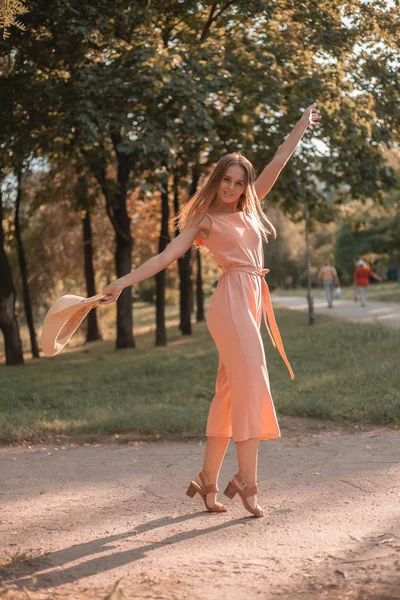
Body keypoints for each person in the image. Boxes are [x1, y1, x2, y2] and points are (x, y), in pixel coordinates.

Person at [99, 102, 321, 518]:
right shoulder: (204, 220)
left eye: (239, 183)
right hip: (232, 300)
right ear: (217, 179)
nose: (233, 188)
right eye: (227, 180)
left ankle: (207, 481)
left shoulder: (250, 207)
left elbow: (278, 159)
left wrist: (301, 124)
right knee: (253, 381)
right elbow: (165, 257)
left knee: (229, 393)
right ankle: (248, 485)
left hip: (250, 298)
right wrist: (122, 284)